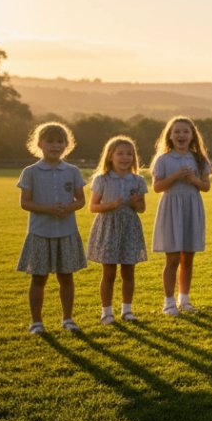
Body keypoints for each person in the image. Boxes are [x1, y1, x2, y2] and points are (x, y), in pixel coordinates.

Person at [17, 122, 87, 334]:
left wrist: (69, 208)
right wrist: (49, 209)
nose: (55, 146)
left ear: (67, 145)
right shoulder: (30, 172)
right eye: (50, 141)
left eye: (60, 141)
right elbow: (25, 203)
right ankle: (36, 322)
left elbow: (81, 200)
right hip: (40, 233)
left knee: (66, 277)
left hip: (66, 233)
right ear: (40, 144)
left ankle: (68, 319)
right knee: (39, 278)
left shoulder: (72, 171)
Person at [151, 116, 211, 316]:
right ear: (169, 135)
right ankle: (168, 302)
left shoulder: (199, 159)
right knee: (172, 258)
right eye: (177, 131)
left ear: (193, 135)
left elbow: (206, 186)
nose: (181, 135)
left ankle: (184, 300)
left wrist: (193, 179)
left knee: (188, 257)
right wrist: (176, 176)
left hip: (191, 208)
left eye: (186, 132)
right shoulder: (163, 159)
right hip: (171, 208)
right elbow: (157, 187)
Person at [86, 135, 148, 324]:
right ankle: (107, 312)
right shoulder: (102, 179)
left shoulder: (137, 180)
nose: (125, 157)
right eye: (120, 153)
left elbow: (142, 209)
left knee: (128, 272)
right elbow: (93, 207)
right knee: (109, 272)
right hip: (108, 227)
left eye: (129, 154)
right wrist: (111, 205)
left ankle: (127, 310)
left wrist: (137, 203)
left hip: (129, 227)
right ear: (110, 156)